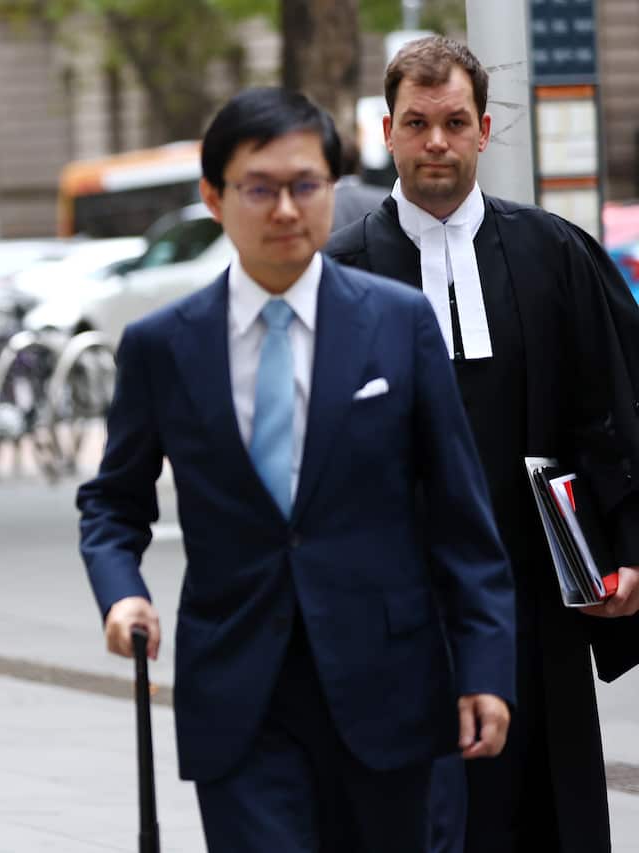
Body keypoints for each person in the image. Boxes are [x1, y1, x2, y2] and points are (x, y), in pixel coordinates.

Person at [77, 86, 517, 852]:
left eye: (305, 185)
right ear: (215, 198)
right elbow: (112, 504)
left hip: (393, 684)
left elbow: (460, 515)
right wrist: (122, 594)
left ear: (332, 189)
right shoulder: (163, 345)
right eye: (260, 188)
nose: (285, 209)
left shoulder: (399, 322)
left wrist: (484, 665)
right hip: (241, 697)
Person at [326, 36, 639, 853]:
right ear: (388, 131)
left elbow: (614, 412)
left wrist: (630, 546)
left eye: (455, 122)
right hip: (400, 607)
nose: (437, 141)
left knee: (543, 811)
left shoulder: (554, 255)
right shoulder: (337, 278)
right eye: (418, 123)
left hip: (535, 596)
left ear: (484, 131)